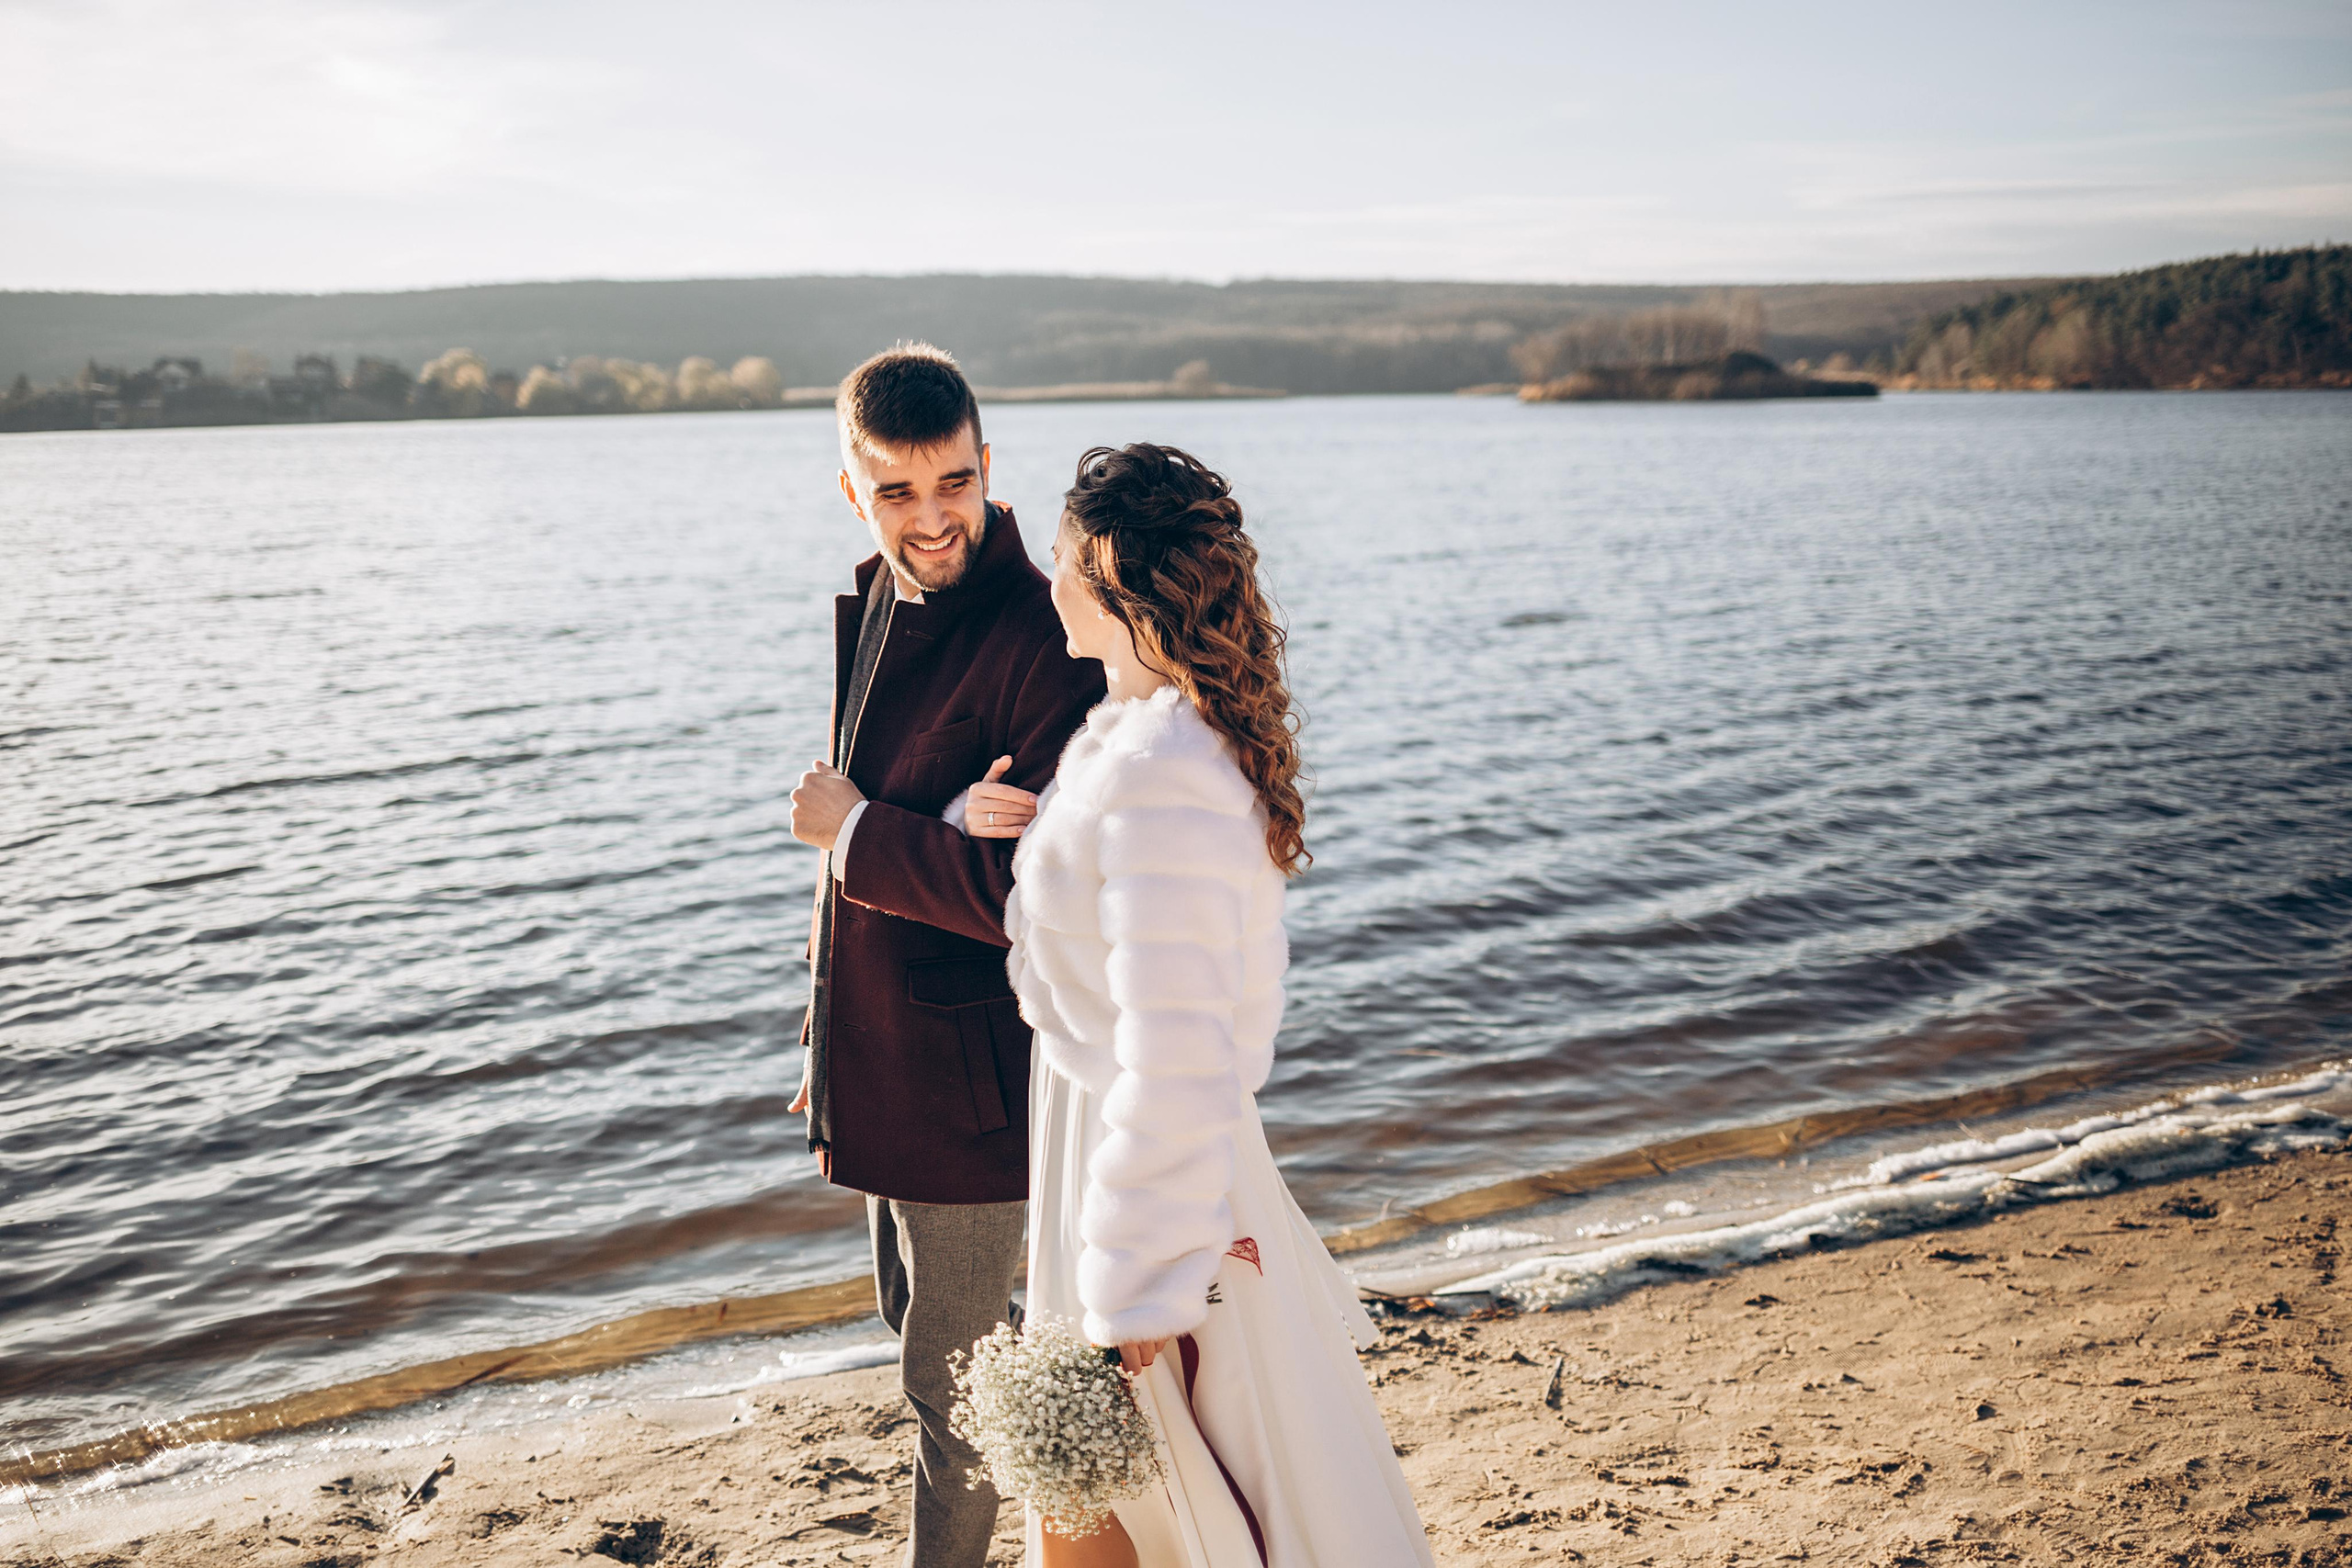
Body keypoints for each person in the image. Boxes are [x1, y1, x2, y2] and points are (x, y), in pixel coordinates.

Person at [953, 445, 1434, 1567]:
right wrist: (1000, 831)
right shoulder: (1132, 734)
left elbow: (1178, 1050)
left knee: (1187, 1490)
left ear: (1113, 582)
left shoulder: (1162, 772)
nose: (1048, 579)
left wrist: (1143, 1280)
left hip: (1154, 1185)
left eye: (1063, 557)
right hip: (1108, 1152)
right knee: (1119, 1490)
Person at [786, 344, 1105, 1568]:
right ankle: (1078, 1505)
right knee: (927, 1330)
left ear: (987, 464)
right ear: (852, 491)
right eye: (896, 492)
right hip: (880, 1055)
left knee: (952, 1387)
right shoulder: (880, 596)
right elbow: (881, 841)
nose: (931, 519)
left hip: (985, 1088)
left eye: (954, 484)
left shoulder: (1046, 637)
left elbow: (1034, 901)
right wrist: (825, 1034)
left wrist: (859, 829)